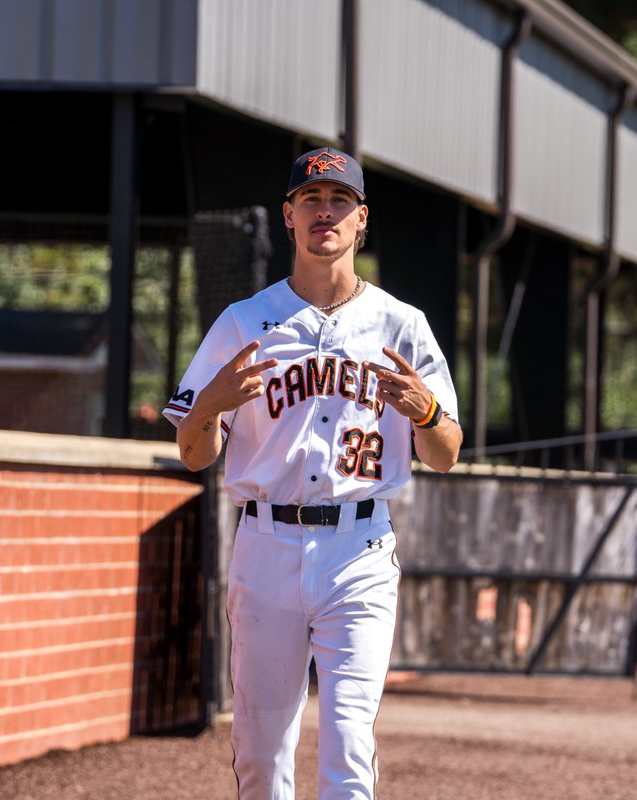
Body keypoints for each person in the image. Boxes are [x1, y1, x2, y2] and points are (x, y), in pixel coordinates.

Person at [163, 147, 462, 800]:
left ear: (361, 220)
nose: (325, 212)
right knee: (262, 756)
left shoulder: (401, 325)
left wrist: (429, 411)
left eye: (339, 202)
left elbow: (445, 452)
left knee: (349, 743)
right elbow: (194, 454)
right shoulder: (245, 323)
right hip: (266, 543)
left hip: (358, 547)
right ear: (289, 218)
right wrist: (209, 405)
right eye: (311, 200)